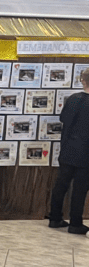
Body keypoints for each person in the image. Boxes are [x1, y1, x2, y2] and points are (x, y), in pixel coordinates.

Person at [50, 69, 89, 235]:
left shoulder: (73, 99)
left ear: (82, 80)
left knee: (61, 184)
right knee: (80, 189)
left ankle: (54, 218)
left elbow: (64, 119)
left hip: (68, 148)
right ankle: (75, 223)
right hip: (86, 153)